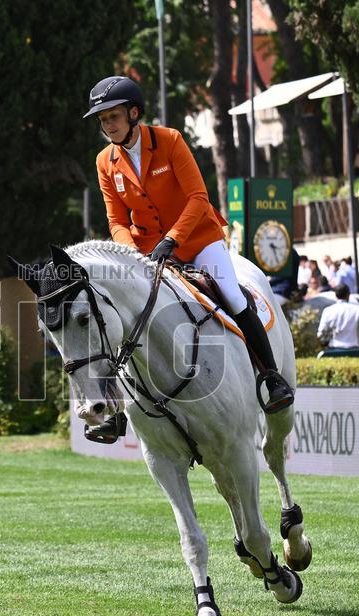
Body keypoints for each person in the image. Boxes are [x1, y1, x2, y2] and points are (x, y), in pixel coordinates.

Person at [86, 74, 293, 417]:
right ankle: (114, 409)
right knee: (118, 310)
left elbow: (198, 198)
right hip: (147, 251)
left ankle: (272, 378)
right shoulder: (104, 162)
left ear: (134, 113)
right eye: (103, 120)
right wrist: (129, 255)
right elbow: (116, 221)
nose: (108, 125)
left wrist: (172, 240)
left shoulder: (169, 141)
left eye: (114, 117)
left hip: (198, 238)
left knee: (232, 293)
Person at [317, 284, 359, 350]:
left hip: (333, 348)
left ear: (336, 296)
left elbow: (321, 333)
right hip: (353, 348)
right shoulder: (358, 309)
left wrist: (323, 344)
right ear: (348, 294)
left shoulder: (327, 310)